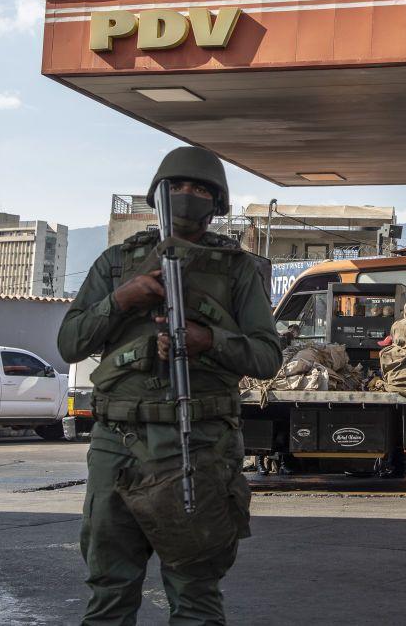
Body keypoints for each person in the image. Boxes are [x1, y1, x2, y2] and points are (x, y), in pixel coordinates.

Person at [58, 146, 282, 624]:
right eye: (176, 188)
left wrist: (208, 340)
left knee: (195, 593)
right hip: (118, 443)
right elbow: (70, 343)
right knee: (109, 592)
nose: (187, 196)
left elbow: (266, 357)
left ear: (216, 203)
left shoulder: (237, 270)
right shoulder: (117, 263)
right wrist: (122, 299)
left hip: (198, 443)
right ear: (157, 195)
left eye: (200, 189)